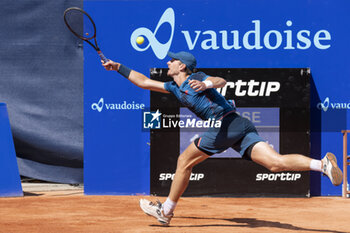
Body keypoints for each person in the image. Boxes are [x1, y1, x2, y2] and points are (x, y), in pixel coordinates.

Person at [102, 51, 343, 226]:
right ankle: (321, 164)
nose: (168, 61)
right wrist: (118, 67)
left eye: (173, 60)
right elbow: (144, 82)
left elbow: (220, 81)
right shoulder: (174, 87)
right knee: (274, 163)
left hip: (224, 124)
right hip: (238, 124)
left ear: (183, 66)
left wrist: (205, 83)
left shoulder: (197, 79)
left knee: (184, 161)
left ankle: (166, 211)